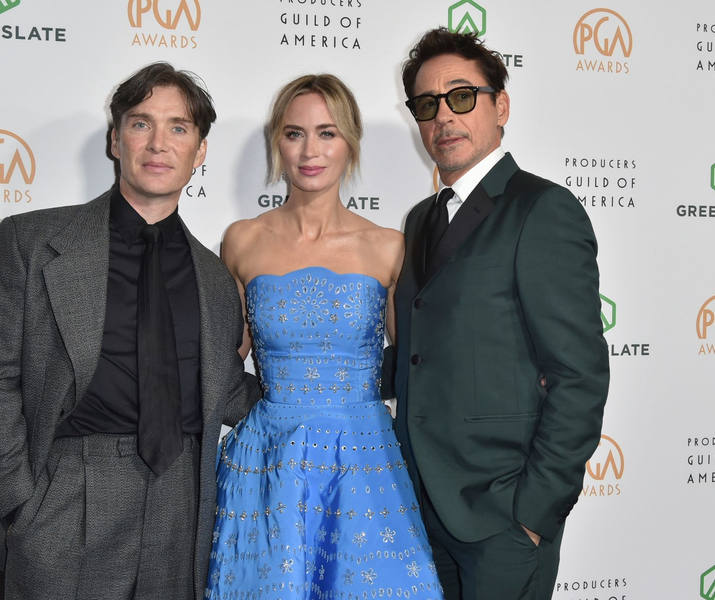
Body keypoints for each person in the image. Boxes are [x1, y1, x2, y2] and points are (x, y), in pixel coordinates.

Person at [0, 62, 261, 600]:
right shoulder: (32, 241)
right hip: (64, 497)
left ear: (200, 153)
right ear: (114, 140)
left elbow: (229, 392)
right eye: (140, 122)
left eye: (178, 127)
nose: (158, 143)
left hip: (182, 503)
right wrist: (18, 504)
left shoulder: (217, 280)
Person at [388, 28, 610, 600]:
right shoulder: (419, 220)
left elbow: (579, 375)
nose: (444, 117)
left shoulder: (543, 209)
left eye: (462, 96)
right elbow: (421, 355)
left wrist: (534, 513)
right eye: (426, 104)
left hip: (502, 518)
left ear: (500, 105)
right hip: (420, 506)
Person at [205, 74, 444, 599]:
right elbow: (227, 356)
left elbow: (413, 362)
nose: (310, 150)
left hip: (363, 456)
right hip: (269, 460)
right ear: (277, 143)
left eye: (327, 133)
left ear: (350, 143)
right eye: (294, 134)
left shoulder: (388, 246)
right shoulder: (242, 240)